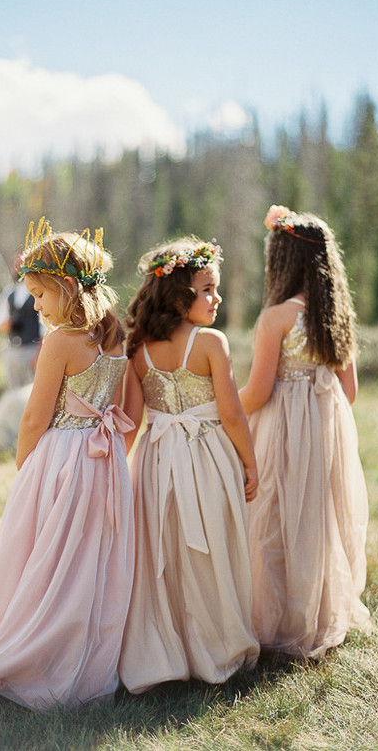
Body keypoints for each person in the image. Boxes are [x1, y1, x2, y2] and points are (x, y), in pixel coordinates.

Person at [0, 219, 135, 711]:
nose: (34, 305)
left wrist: (23, 468)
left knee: (43, 555)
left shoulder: (60, 341)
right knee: (89, 559)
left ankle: (39, 652)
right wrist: (120, 453)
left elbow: (35, 415)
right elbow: (132, 408)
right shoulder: (116, 335)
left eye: (39, 294)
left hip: (61, 457)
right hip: (106, 458)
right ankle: (86, 656)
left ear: (65, 286)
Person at [119, 236, 259, 694]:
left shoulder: (137, 347)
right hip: (207, 457)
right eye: (207, 289)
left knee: (170, 553)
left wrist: (118, 467)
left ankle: (171, 650)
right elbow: (232, 413)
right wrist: (250, 462)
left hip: (157, 461)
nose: (216, 298)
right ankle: (216, 648)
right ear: (179, 294)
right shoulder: (210, 343)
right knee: (212, 548)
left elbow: (134, 420)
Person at [239, 204, 369, 659]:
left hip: (282, 427)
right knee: (318, 518)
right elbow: (348, 391)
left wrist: (219, 409)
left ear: (283, 261)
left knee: (274, 516)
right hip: (325, 427)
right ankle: (317, 615)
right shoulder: (335, 315)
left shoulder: (277, 318)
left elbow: (256, 392)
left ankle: (277, 621)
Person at [0, 253, 42, 389]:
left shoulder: (38, 292)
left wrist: (39, 354)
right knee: (13, 393)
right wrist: (6, 325)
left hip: (33, 350)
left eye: (22, 263)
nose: (18, 267)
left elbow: (46, 328)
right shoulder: (9, 293)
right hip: (13, 350)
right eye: (16, 264)